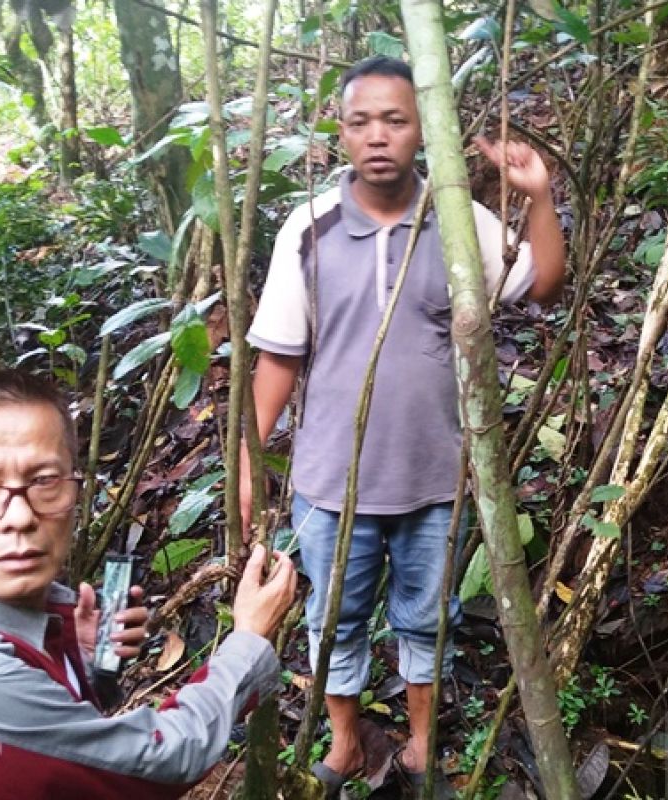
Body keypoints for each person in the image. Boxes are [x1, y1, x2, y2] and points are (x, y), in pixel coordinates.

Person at [241, 55, 565, 796]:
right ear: (342, 134)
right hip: (332, 482)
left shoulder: (458, 223)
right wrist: (246, 461)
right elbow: (278, 359)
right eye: (361, 122)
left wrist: (538, 199)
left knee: (428, 620)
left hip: (435, 479)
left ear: (424, 130)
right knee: (333, 621)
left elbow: (543, 286)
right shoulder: (310, 230)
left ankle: (422, 746)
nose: (378, 137)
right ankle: (348, 742)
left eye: (395, 120)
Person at [0, 369, 297, 798]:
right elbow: (166, 760)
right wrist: (248, 639)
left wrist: (79, 665)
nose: (20, 517)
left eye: (45, 481)